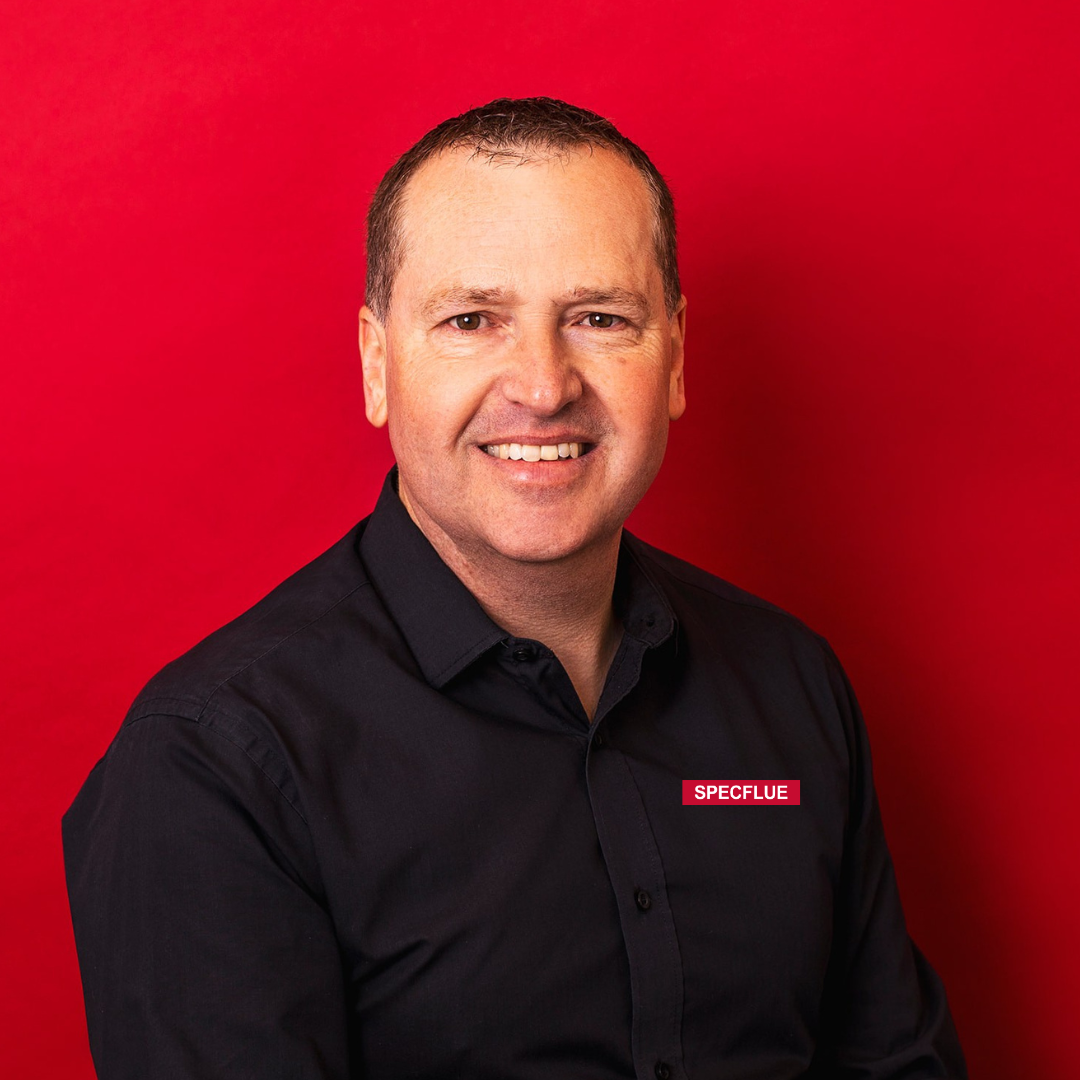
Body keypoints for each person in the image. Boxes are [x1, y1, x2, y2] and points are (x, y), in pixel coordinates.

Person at [63, 97, 967, 1079]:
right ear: (376, 364)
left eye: (599, 319)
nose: (543, 385)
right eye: (472, 320)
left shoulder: (789, 682)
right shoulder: (214, 763)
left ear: (673, 355)